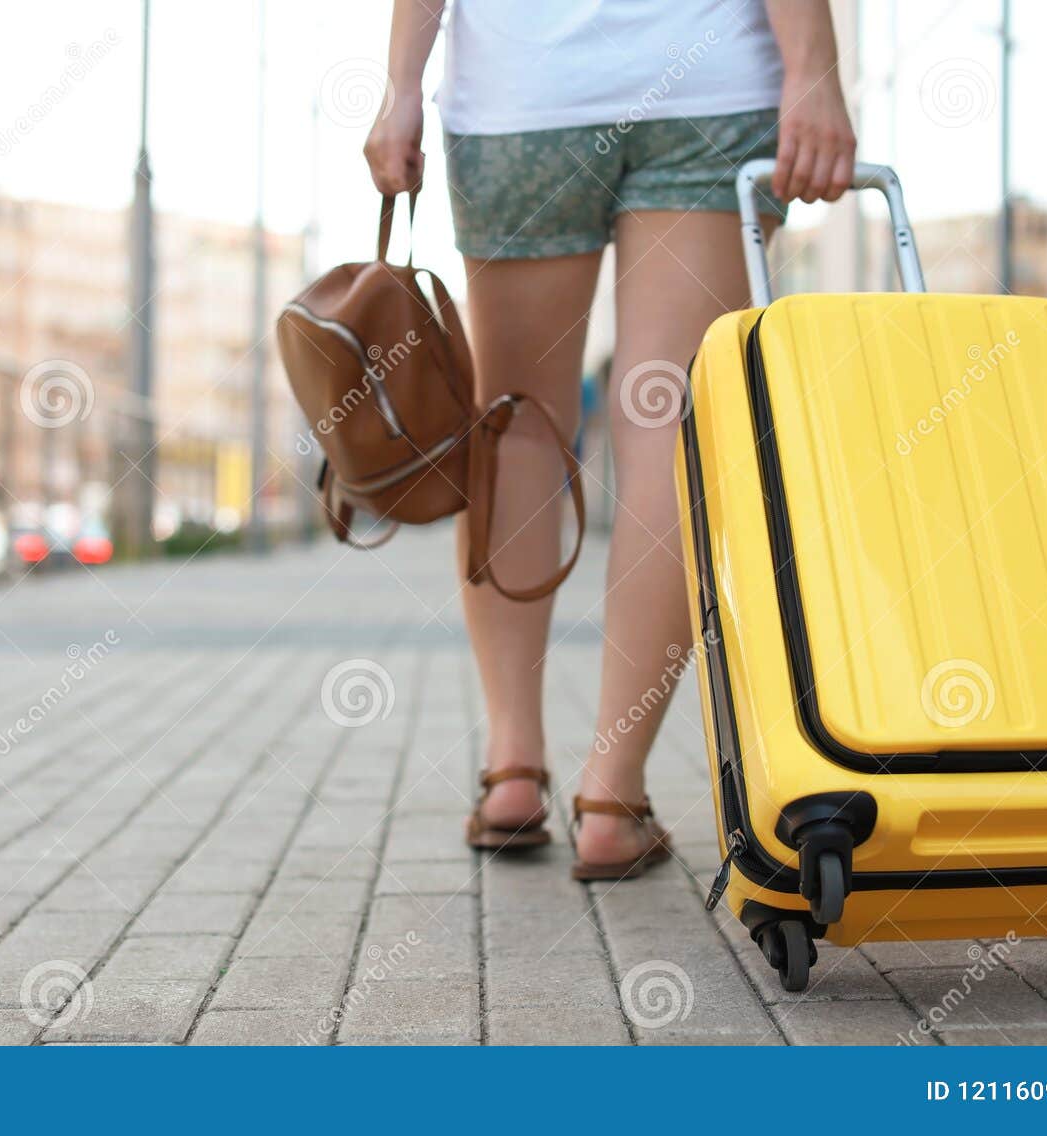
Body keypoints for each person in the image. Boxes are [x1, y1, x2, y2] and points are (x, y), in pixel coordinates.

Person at [364, 0, 855, 878]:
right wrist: (813, 73)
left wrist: (401, 87)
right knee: (667, 432)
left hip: (525, 95)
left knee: (515, 429)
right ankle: (612, 797)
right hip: (707, 86)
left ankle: (513, 769)